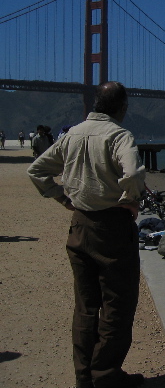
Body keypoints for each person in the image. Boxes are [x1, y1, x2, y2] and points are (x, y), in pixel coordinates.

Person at [27, 81, 146, 388]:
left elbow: (36, 170)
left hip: (80, 226)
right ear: (122, 108)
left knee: (85, 306)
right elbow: (132, 174)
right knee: (117, 305)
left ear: (96, 103)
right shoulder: (120, 135)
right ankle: (105, 376)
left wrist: (61, 196)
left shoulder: (72, 134)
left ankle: (84, 378)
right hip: (113, 230)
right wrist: (130, 200)